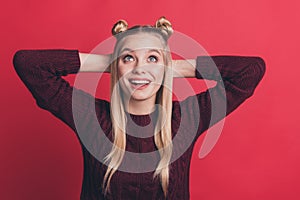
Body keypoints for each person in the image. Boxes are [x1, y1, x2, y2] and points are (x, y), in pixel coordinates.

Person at [13, 17, 265, 200]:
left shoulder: (186, 118)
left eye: (152, 58)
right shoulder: (91, 118)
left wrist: (171, 69)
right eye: (129, 58)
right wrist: (110, 63)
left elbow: (250, 71)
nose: (140, 68)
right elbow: (29, 64)